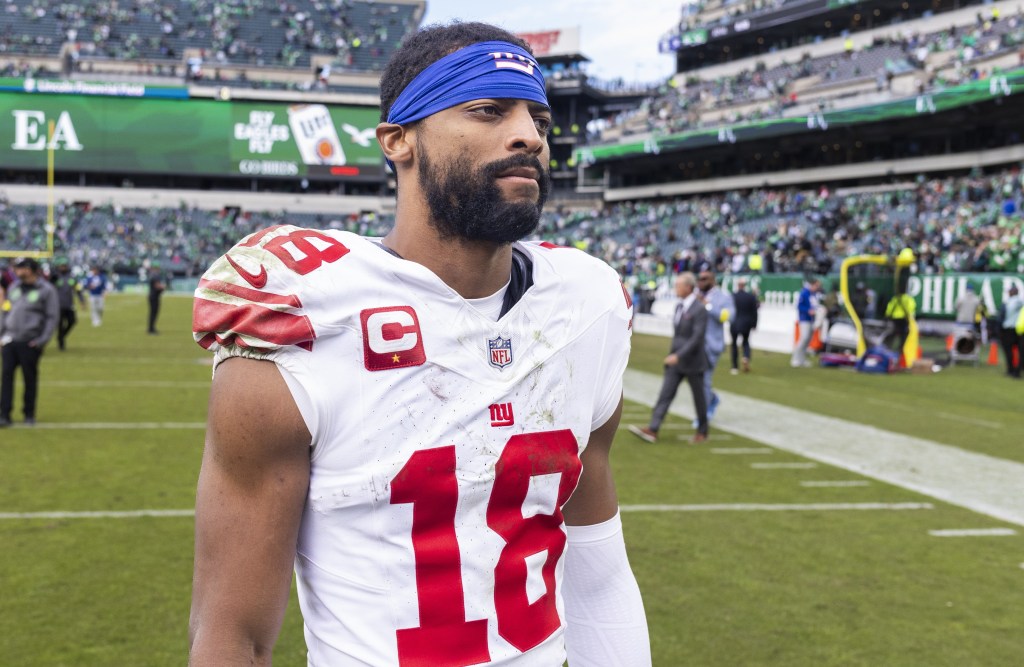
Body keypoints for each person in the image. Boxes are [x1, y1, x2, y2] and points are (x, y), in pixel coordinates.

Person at [188, 22, 650, 667]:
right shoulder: (307, 312)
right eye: (488, 110)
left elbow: (597, 567)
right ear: (397, 140)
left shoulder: (587, 302)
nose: (529, 136)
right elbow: (232, 633)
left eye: (538, 118)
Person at [628, 272, 708, 444]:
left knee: (699, 398)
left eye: (678, 285)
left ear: (688, 287)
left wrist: (679, 355)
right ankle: (653, 428)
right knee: (665, 394)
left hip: (692, 362)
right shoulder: (679, 306)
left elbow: (697, 337)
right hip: (675, 361)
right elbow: (678, 336)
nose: (675, 288)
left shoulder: (699, 309)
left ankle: (703, 430)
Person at [0, 258, 59, 427]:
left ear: (30, 269)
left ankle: (29, 413)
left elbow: (52, 317)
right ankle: (4, 414)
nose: (16, 270)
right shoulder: (14, 288)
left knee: (30, 379)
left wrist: (41, 341)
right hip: (10, 340)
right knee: (6, 378)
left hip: (30, 341)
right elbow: (5, 311)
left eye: (20, 268)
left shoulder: (46, 290)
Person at [697, 270, 733, 419]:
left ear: (712, 280)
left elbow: (728, 316)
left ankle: (703, 416)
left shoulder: (723, 297)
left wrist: (708, 306)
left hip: (711, 345)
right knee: (697, 380)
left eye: (704, 279)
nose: (700, 281)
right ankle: (712, 399)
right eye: (699, 278)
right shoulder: (696, 295)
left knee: (704, 379)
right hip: (695, 345)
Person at [52, 258, 86, 351]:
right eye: (61, 266)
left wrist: (82, 301)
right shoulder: (55, 277)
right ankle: (61, 343)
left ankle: (61, 336)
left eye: (65, 266)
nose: (63, 267)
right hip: (58, 305)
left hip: (69, 304)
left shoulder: (72, 277)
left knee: (72, 321)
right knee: (60, 324)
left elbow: (78, 289)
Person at [729, 277, 759, 374]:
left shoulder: (733, 296)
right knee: (745, 342)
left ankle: (734, 366)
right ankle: (745, 357)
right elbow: (754, 312)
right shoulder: (750, 296)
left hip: (734, 323)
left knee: (734, 344)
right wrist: (754, 324)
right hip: (746, 323)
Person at [791, 277, 821, 367]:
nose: (817, 287)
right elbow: (799, 306)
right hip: (804, 319)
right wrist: (808, 310)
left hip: (812, 319)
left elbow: (815, 305)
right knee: (803, 339)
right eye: (816, 285)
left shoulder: (814, 294)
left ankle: (802, 359)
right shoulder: (804, 293)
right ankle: (795, 358)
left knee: (807, 340)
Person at [998, 285, 1023, 378]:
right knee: (1021, 352)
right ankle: (1018, 370)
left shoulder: (1007, 302)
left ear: (1012, 292)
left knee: (1008, 351)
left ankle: (1011, 369)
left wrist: (999, 329)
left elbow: (1001, 317)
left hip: (1008, 330)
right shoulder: (1021, 302)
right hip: (1020, 330)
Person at [884, 290, 916, 356]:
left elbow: (890, 306)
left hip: (895, 317)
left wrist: (887, 315)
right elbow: (911, 307)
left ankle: (888, 347)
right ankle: (901, 348)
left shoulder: (895, 298)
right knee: (903, 334)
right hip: (904, 318)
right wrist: (911, 317)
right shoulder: (908, 298)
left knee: (894, 333)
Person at [147, 264, 166, 335]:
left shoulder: (152, 275)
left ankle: (151, 328)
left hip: (153, 296)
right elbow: (157, 286)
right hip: (154, 297)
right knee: (153, 313)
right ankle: (151, 329)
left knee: (153, 313)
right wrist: (163, 287)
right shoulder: (155, 276)